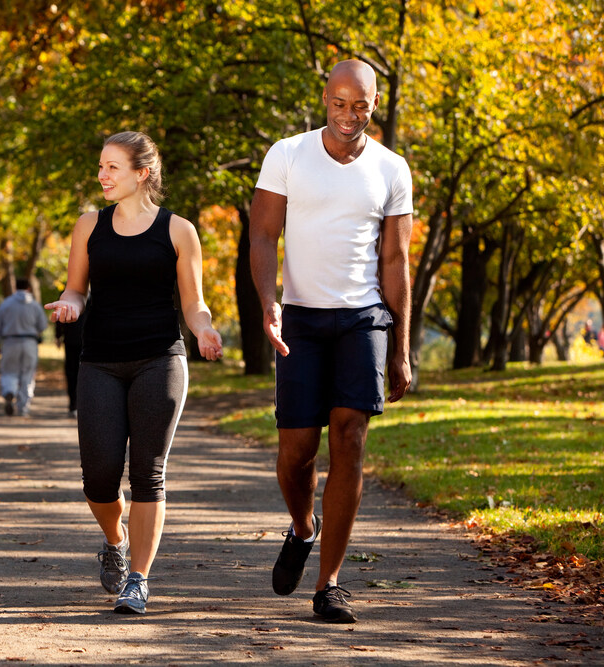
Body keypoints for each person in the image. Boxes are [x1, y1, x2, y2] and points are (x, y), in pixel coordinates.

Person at [249, 59, 413, 624]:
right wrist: (269, 302)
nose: (348, 115)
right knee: (295, 454)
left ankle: (331, 584)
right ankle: (302, 527)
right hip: (302, 320)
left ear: (373, 104)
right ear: (325, 98)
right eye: (339, 103)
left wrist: (401, 347)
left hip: (363, 318)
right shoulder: (287, 154)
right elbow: (264, 233)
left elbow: (395, 260)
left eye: (360, 105)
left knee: (350, 439)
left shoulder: (393, 169)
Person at [45, 131, 223, 615]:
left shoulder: (179, 230)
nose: (102, 175)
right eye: (101, 166)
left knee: (148, 473)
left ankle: (138, 580)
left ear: (141, 173)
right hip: (100, 360)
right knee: (99, 478)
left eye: (112, 167)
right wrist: (68, 304)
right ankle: (114, 537)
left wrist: (204, 330)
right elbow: (77, 289)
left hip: (160, 359)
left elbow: (193, 302)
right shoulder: (89, 226)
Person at [0, 278, 48, 417]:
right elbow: (43, 325)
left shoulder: (6, 304)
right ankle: (23, 407)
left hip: (10, 342)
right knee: (27, 374)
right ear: (28, 288)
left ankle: (9, 391)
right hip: (30, 342)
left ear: (15, 287)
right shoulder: (35, 305)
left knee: (9, 371)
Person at [54, 312, 84, 417]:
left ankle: (75, 404)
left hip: (74, 339)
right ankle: (75, 404)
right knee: (75, 372)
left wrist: (58, 335)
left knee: (73, 372)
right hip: (79, 340)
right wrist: (58, 335)